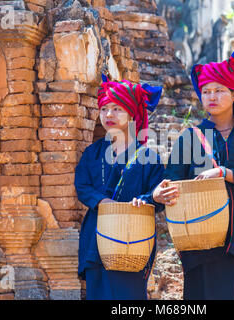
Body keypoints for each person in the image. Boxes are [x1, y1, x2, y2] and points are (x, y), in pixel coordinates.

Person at [153, 50, 234, 300]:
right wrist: (161, 193)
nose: (211, 97)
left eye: (219, 90)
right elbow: (172, 179)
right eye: (206, 91)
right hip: (199, 240)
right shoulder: (190, 138)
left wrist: (224, 173)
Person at [74, 75, 164, 300]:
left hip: (132, 240)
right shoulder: (92, 153)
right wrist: (103, 201)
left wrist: (146, 199)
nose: (109, 115)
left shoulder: (148, 157)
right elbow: (82, 186)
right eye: (104, 109)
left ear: (132, 114)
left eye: (117, 109)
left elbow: (157, 196)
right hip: (96, 237)